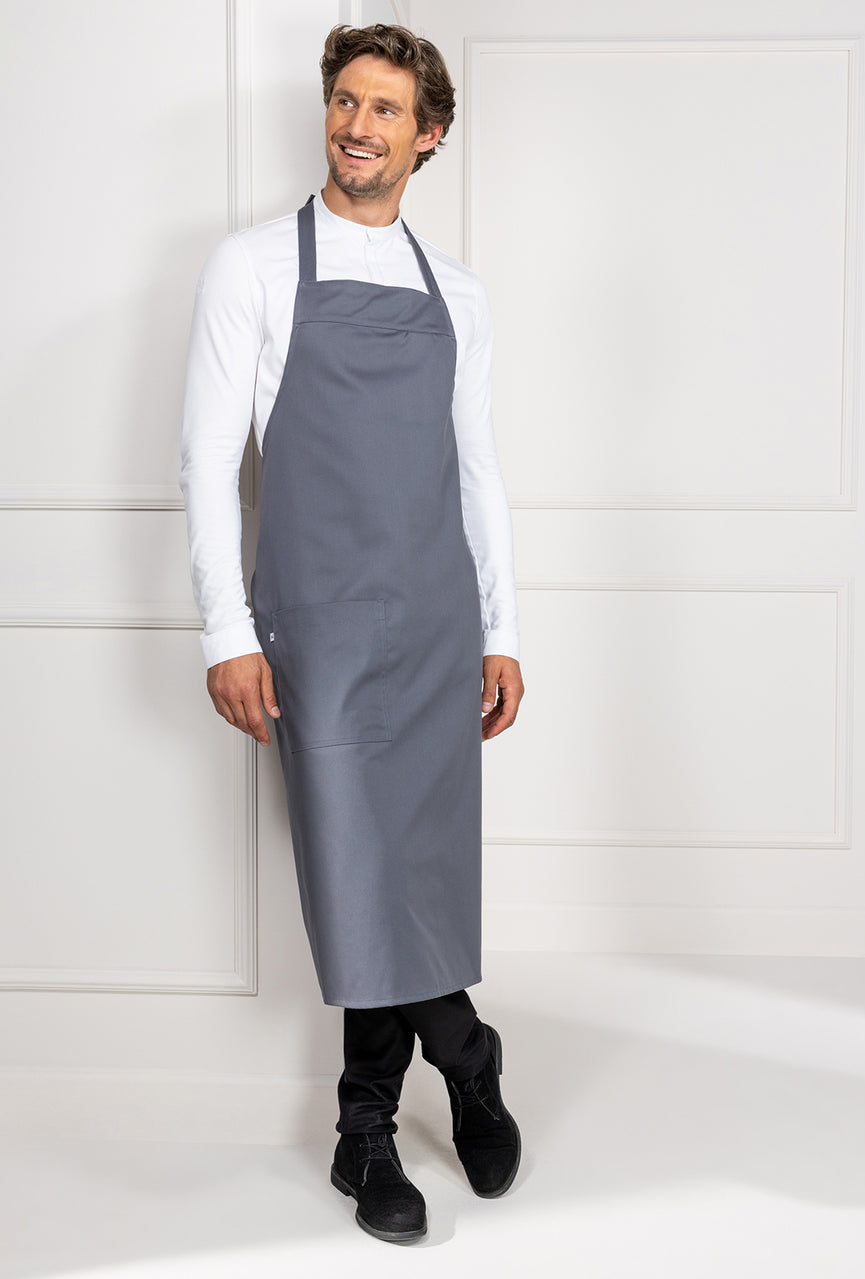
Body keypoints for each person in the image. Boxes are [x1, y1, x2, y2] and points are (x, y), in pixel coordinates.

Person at [178, 22, 525, 1245]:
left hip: (433, 623)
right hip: (315, 628)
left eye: (385, 109)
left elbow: (475, 468)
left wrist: (502, 626)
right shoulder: (254, 266)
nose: (356, 125)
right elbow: (207, 461)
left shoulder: (459, 293)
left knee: (412, 866)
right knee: (357, 866)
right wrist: (226, 630)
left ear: (428, 136)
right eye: (344, 101)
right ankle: (468, 1054)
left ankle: (362, 1130)